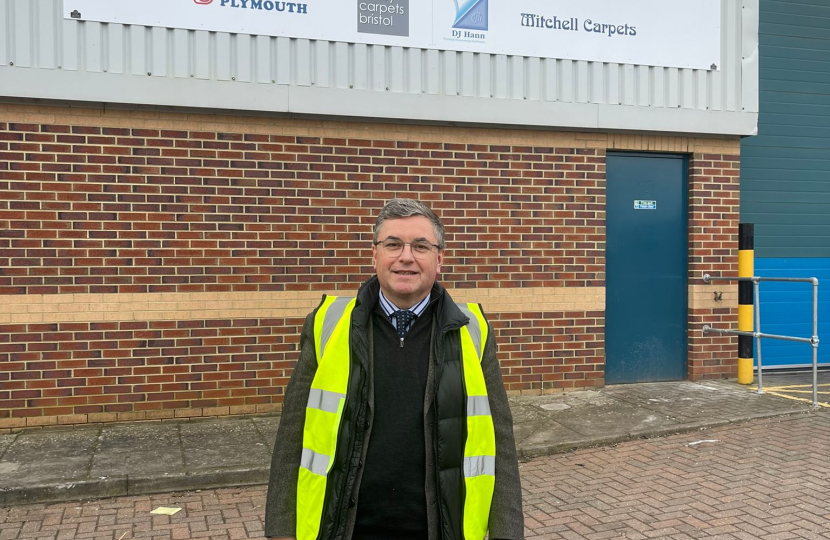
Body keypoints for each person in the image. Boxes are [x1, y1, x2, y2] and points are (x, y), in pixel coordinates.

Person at [264, 198, 524, 540]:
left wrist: (507, 533)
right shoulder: (327, 324)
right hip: (345, 527)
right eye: (392, 244)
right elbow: (292, 434)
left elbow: (500, 443)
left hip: (439, 528)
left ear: (439, 258)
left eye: (420, 246)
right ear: (375, 255)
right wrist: (281, 529)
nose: (406, 256)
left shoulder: (472, 330)